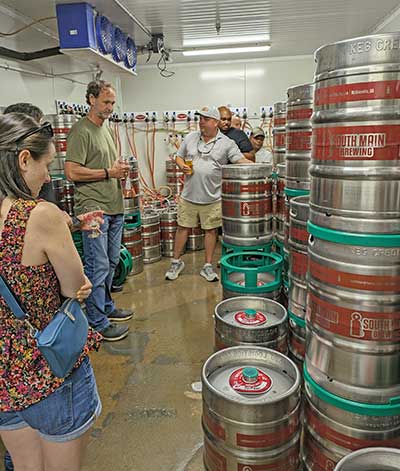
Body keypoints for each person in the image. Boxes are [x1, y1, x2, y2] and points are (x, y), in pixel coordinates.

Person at [0, 112, 102, 471]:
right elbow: (74, 287)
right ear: (23, 159)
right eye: (46, 165)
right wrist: (80, 286)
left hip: (3, 370)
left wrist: (70, 222)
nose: (47, 178)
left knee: (25, 465)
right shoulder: (40, 214)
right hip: (47, 365)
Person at [65, 80, 134, 342]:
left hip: (114, 207)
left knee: (112, 261)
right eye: (106, 101)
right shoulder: (80, 131)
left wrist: (118, 170)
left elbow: (106, 165)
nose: (110, 107)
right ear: (91, 99)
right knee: (97, 267)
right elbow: (72, 172)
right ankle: (97, 323)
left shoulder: (104, 129)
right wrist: (109, 172)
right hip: (93, 210)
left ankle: (106, 306)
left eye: (113, 103)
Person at [165, 105, 252, 282]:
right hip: (189, 195)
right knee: (182, 228)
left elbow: (239, 160)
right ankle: (176, 262)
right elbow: (178, 156)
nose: (201, 123)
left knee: (211, 231)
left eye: (205, 119)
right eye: (200, 119)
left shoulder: (227, 143)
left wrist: (257, 167)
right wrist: (181, 165)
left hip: (213, 197)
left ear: (215, 122)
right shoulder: (190, 137)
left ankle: (207, 266)